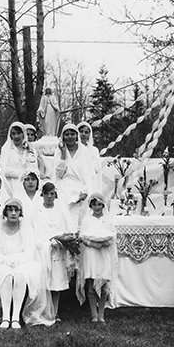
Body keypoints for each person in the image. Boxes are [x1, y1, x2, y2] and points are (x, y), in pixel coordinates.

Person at [0, 198, 53, 328]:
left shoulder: (26, 228)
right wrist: (6, 261)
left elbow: (29, 251)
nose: (13, 213)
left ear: (20, 212)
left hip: (23, 262)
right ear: (5, 212)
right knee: (6, 276)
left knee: (20, 276)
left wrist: (18, 261)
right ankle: (6, 317)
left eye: (16, 210)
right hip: (2, 262)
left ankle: (15, 317)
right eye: (10, 210)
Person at [32, 182, 75, 321]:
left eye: (52, 194)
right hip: (43, 250)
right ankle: (44, 311)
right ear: (42, 194)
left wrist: (60, 241)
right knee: (44, 283)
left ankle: (55, 312)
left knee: (56, 283)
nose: (49, 197)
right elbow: (32, 231)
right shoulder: (36, 211)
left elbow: (67, 229)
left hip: (58, 250)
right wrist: (44, 244)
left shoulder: (61, 211)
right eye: (46, 194)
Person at [78, 193, 117, 323]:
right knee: (91, 286)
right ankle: (94, 314)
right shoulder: (87, 220)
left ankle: (101, 315)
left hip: (104, 254)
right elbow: (83, 237)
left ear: (103, 205)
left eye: (99, 204)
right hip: (91, 254)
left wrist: (103, 244)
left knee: (104, 286)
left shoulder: (108, 220)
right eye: (94, 204)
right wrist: (93, 244)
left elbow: (112, 238)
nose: (97, 207)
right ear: (91, 205)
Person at [55, 123, 96, 228]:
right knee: (64, 223)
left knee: (81, 224)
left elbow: (90, 175)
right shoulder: (59, 151)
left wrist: (85, 192)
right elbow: (59, 174)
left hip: (82, 190)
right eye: (67, 134)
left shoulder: (84, 151)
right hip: (64, 189)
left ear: (76, 135)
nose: (69, 137)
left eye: (72, 134)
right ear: (63, 136)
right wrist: (63, 154)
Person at [0, 122, 46, 195]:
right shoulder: (6, 149)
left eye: (19, 133)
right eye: (14, 133)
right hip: (12, 185)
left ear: (23, 134)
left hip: (28, 186)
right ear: (10, 135)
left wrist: (30, 151)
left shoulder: (31, 149)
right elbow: (4, 170)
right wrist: (24, 173)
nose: (16, 136)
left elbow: (34, 170)